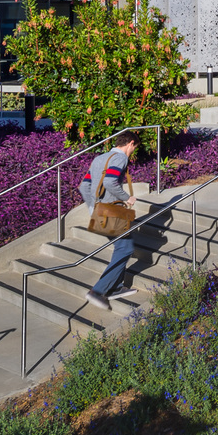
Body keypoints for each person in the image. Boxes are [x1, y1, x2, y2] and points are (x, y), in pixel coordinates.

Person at [80, 130, 143, 312]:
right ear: (131, 143)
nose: (132, 152)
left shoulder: (99, 159)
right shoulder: (121, 158)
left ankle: (115, 287)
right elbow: (110, 182)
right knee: (125, 248)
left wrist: (93, 207)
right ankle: (98, 291)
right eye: (134, 148)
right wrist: (127, 198)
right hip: (112, 211)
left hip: (99, 211)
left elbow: (84, 186)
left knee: (120, 247)